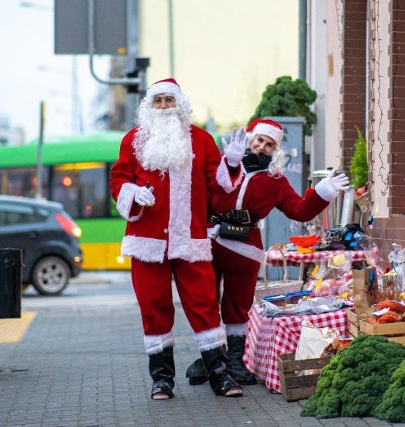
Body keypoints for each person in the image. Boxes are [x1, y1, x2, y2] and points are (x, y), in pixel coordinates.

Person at [109, 78, 249, 400]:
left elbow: (220, 186)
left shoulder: (201, 140)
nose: (162, 107)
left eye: (168, 101)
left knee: (203, 306)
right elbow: (118, 179)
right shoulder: (133, 140)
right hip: (147, 241)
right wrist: (132, 193)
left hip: (190, 239)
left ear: (180, 105)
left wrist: (231, 162)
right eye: (156, 101)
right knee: (153, 307)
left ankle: (220, 374)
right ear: (148, 106)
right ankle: (162, 378)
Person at [186, 118, 350, 386]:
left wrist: (323, 192)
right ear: (250, 139)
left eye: (269, 144)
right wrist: (228, 165)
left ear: (276, 150)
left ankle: (236, 362)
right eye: (259, 141)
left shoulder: (276, 181)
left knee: (237, 307)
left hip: (244, 248)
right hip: (208, 243)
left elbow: (300, 210)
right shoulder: (223, 167)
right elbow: (202, 193)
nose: (262, 147)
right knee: (204, 302)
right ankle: (212, 358)